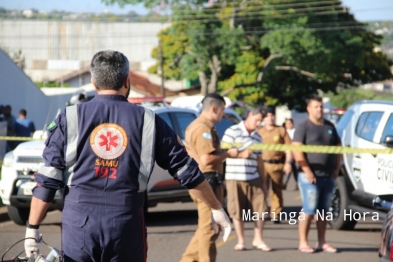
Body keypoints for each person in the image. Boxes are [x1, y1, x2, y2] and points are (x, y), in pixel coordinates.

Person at [24, 50, 232, 262]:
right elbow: (187, 171)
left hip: (79, 224)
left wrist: (32, 228)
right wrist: (216, 208)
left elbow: (48, 180)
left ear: (94, 83)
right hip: (125, 221)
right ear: (127, 80)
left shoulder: (68, 118)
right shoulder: (149, 121)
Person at [180, 93, 238, 262]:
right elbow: (206, 159)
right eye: (222, 110)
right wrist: (229, 154)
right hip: (206, 182)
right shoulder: (202, 128)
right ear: (214, 109)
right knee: (209, 230)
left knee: (209, 229)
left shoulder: (203, 126)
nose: (224, 114)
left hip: (208, 181)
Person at [292, 95, 342, 253]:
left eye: (321, 106)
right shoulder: (303, 127)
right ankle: (303, 242)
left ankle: (322, 242)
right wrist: (307, 170)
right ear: (308, 109)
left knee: (323, 211)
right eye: (316, 106)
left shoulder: (330, 126)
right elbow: (297, 150)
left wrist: (336, 168)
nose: (319, 109)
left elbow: (338, 148)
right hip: (309, 176)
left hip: (328, 176)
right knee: (309, 208)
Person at [222, 106, 271, 252]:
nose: (258, 124)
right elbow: (224, 152)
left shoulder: (257, 137)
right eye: (257, 120)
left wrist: (263, 181)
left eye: (261, 121)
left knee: (261, 209)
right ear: (250, 115)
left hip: (253, 176)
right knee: (236, 210)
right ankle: (241, 240)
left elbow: (260, 161)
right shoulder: (233, 131)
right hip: (234, 177)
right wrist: (240, 154)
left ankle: (258, 239)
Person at [257, 107, 292, 223]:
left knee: (277, 190)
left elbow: (289, 148)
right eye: (267, 116)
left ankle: (275, 214)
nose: (270, 118)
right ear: (264, 118)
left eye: (272, 115)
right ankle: (261, 212)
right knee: (262, 190)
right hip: (263, 164)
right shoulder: (259, 131)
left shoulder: (281, 131)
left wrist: (288, 163)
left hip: (277, 164)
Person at [284, 118, 298, 189]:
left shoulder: (295, 131)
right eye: (287, 123)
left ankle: (285, 182)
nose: (288, 125)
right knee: (293, 168)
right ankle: (297, 182)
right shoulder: (284, 132)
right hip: (285, 152)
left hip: (293, 152)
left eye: (290, 123)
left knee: (290, 166)